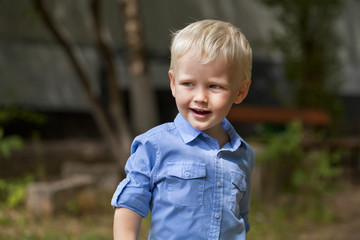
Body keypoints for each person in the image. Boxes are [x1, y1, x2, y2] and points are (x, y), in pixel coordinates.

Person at [111, 19, 255, 240]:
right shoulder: (155, 146)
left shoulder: (243, 155)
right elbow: (130, 202)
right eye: (188, 83)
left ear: (240, 91)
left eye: (214, 86)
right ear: (173, 83)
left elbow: (240, 218)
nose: (200, 98)